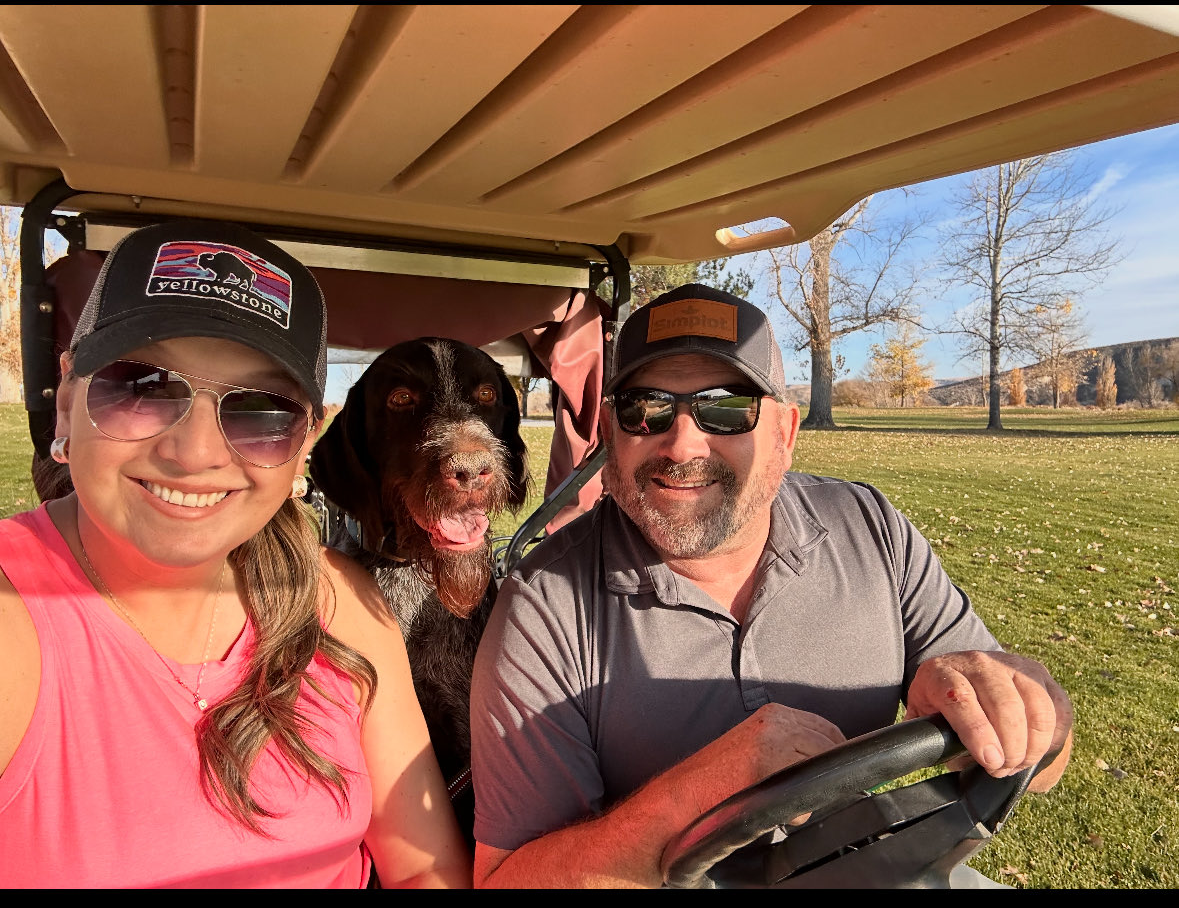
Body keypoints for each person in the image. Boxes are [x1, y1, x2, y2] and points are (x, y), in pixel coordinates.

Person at [468, 283, 1074, 888]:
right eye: (644, 409)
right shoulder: (543, 603)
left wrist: (1030, 710)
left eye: (727, 407)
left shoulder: (871, 529)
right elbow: (506, 880)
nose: (681, 443)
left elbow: (1040, 761)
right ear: (609, 431)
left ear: (785, 433)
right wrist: (698, 793)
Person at [0, 219, 471, 888]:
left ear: (305, 441)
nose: (194, 453)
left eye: (259, 408)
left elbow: (426, 868)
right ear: (69, 397)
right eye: (141, 385)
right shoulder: (15, 615)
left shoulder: (342, 606)